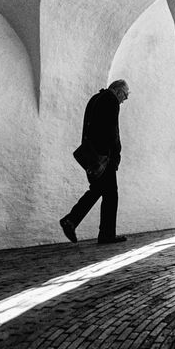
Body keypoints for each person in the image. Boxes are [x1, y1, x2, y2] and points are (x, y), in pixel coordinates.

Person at [60, 79, 130, 244]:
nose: (125, 99)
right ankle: (105, 234)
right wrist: (116, 154)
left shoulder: (95, 98)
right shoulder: (111, 100)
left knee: (99, 189)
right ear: (118, 91)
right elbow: (113, 130)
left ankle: (72, 221)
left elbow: (88, 128)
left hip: (91, 155)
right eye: (125, 95)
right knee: (111, 194)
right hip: (104, 157)